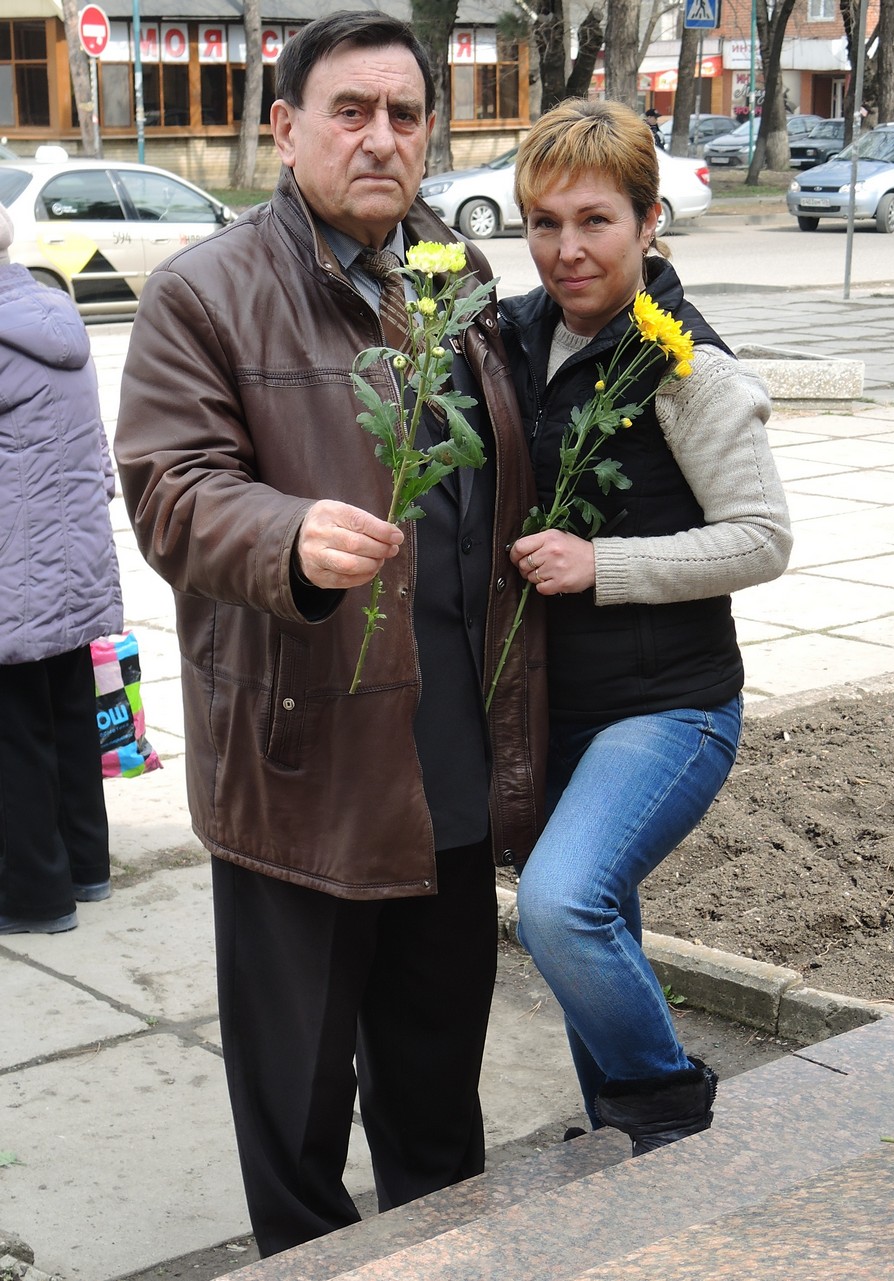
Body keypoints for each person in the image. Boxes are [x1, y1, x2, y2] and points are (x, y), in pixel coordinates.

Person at [113, 9, 544, 1258]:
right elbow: (170, 489)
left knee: (436, 1092)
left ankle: (442, 1256)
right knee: (296, 1107)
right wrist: (287, 534)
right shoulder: (206, 292)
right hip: (298, 765)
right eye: (349, 111)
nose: (380, 138)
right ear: (286, 128)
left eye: (405, 114)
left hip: (445, 759)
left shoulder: (455, 275)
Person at [498, 99, 792, 1157]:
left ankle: (668, 1106)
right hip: (557, 708)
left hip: (669, 709)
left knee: (560, 905)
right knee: (598, 921)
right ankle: (639, 1153)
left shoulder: (687, 370)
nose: (566, 251)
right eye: (543, 223)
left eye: (594, 221)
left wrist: (601, 565)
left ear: (648, 221)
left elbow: (762, 538)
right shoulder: (514, 336)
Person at [0, 202, 123, 934]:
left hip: (14, 570)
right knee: (70, 715)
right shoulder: (53, 313)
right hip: (73, 562)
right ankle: (87, 868)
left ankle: (34, 898)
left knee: (14, 733)